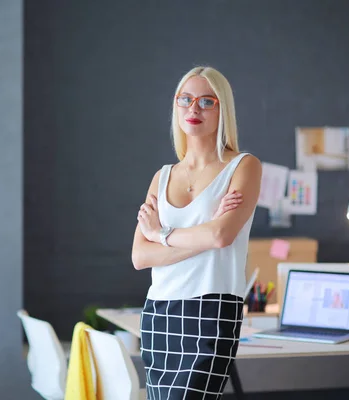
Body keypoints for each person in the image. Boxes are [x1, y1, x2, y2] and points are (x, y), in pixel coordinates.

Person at [131, 65, 262, 399]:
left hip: (213, 309)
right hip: (160, 312)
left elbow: (221, 237)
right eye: (185, 99)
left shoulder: (243, 166)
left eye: (207, 102)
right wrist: (202, 234)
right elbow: (140, 256)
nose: (193, 109)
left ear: (223, 109)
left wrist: (162, 233)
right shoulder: (161, 177)